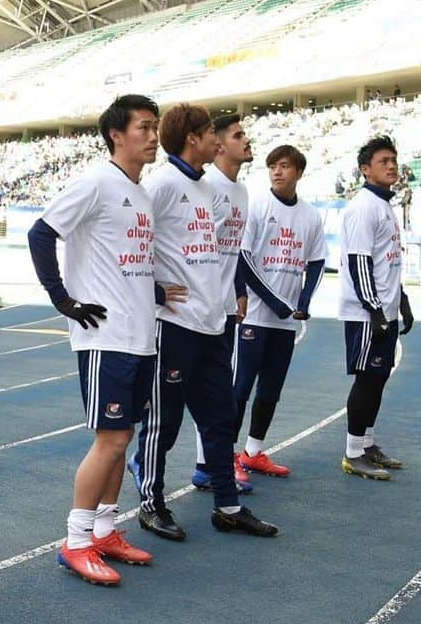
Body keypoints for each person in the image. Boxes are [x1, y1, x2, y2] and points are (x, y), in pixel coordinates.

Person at [27, 95, 187, 585]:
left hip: (140, 334)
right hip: (106, 336)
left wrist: (153, 289)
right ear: (117, 134)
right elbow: (41, 233)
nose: (153, 135)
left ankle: (104, 529)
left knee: (124, 438)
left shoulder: (138, 191)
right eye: (143, 127)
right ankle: (75, 542)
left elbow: (124, 259)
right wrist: (63, 299)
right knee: (111, 438)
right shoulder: (96, 183)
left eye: (155, 126)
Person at [131, 104, 278, 540]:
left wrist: (229, 295)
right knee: (164, 422)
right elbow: (134, 240)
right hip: (174, 325)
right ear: (193, 138)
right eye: (212, 132)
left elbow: (216, 254)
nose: (218, 139)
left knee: (219, 416)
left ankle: (228, 506)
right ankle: (151, 504)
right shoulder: (160, 185)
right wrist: (154, 292)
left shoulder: (205, 188)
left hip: (212, 325)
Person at [233, 145, 326, 476]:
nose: (277, 171)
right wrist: (275, 302)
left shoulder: (311, 216)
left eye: (284, 166)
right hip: (257, 315)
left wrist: (303, 302)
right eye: (272, 166)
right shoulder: (257, 206)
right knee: (241, 386)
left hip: (286, 323)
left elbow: (316, 261)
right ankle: (228, 457)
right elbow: (243, 260)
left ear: (298, 172)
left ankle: (253, 451)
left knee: (271, 388)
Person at [338, 136, 413, 479]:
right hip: (368, 314)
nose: (392, 165)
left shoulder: (384, 205)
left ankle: (367, 444)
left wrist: (403, 301)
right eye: (384, 161)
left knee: (380, 378)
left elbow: (388, 262)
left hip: (386, 309)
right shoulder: (364, 206)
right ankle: (353, 453)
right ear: (365, 170)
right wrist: (376, 309)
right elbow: (359, 263)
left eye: (394, 160)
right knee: (368, 379)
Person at [192, 114, 252, 493]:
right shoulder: (207, 187)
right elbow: (198, 251)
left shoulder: (242, 191)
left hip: (225, 306)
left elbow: (233, 251)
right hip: (198, 308)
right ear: (219, 144)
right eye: (238, 134)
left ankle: (209, 466)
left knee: (218, 393)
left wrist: (239, 290)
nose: (246, 140)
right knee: (194, 394)